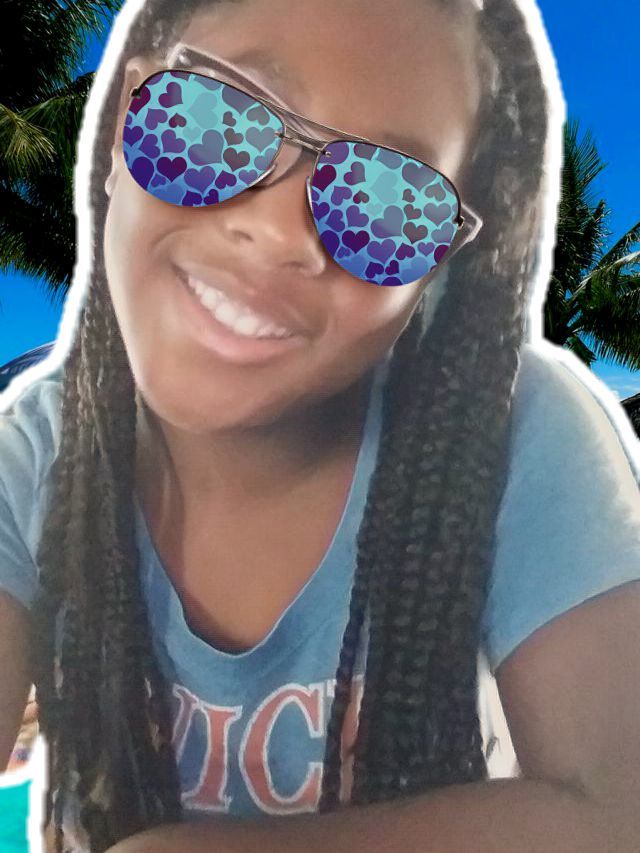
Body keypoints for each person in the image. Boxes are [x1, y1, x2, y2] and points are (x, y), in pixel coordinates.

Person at [0, 0, 639, 851]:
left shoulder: (515, 431)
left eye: (388, 200)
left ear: (438, 268)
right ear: (125, 119)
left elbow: (620, 806)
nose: (279, 231)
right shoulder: (31, 454)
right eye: (217, 119)